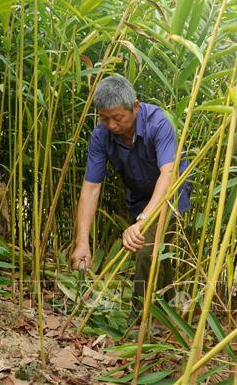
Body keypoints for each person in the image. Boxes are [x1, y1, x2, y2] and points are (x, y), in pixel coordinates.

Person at [71, 75, 191, 313]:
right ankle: (166, 312)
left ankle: (139, 320)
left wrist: (142, 221)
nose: (111, 126)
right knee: (155, 252)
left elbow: (168, 174)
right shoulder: (100, 136)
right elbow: (91, 188)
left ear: (135, 106)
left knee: (148, 246)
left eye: (117, 118)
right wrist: (82, 241)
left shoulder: (159, 123)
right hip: (139, 195)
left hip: (170, 192)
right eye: (104, 119)